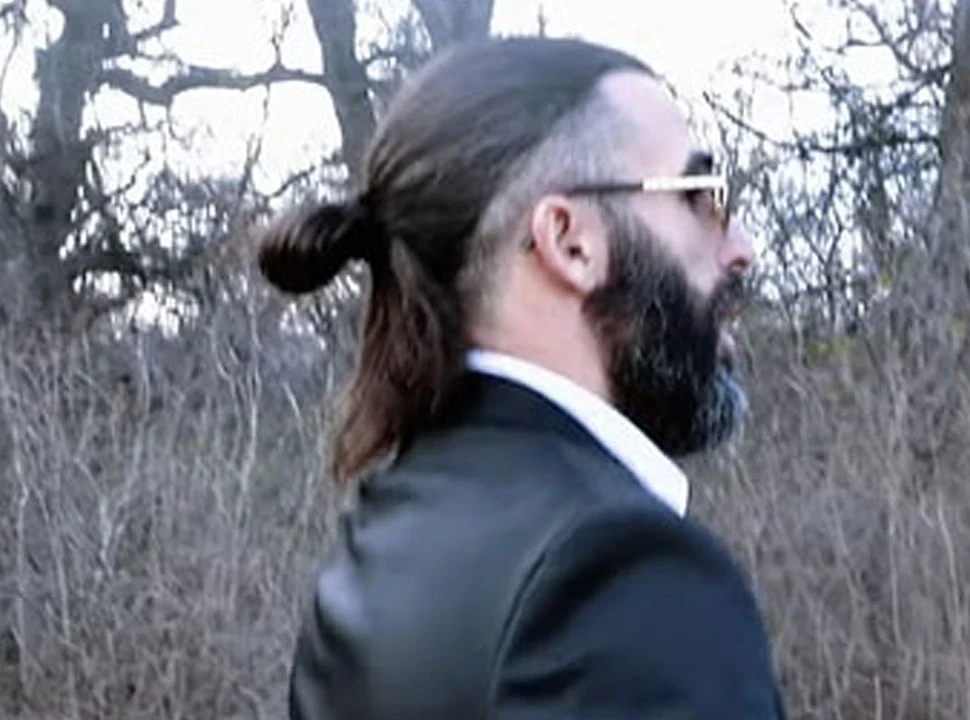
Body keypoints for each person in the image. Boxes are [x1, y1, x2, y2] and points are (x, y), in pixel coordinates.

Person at [256, 35, 785, 719]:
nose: (739, 247)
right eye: (699, 197)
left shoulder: (378, 538)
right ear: (570, 241)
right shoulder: (622, 571)